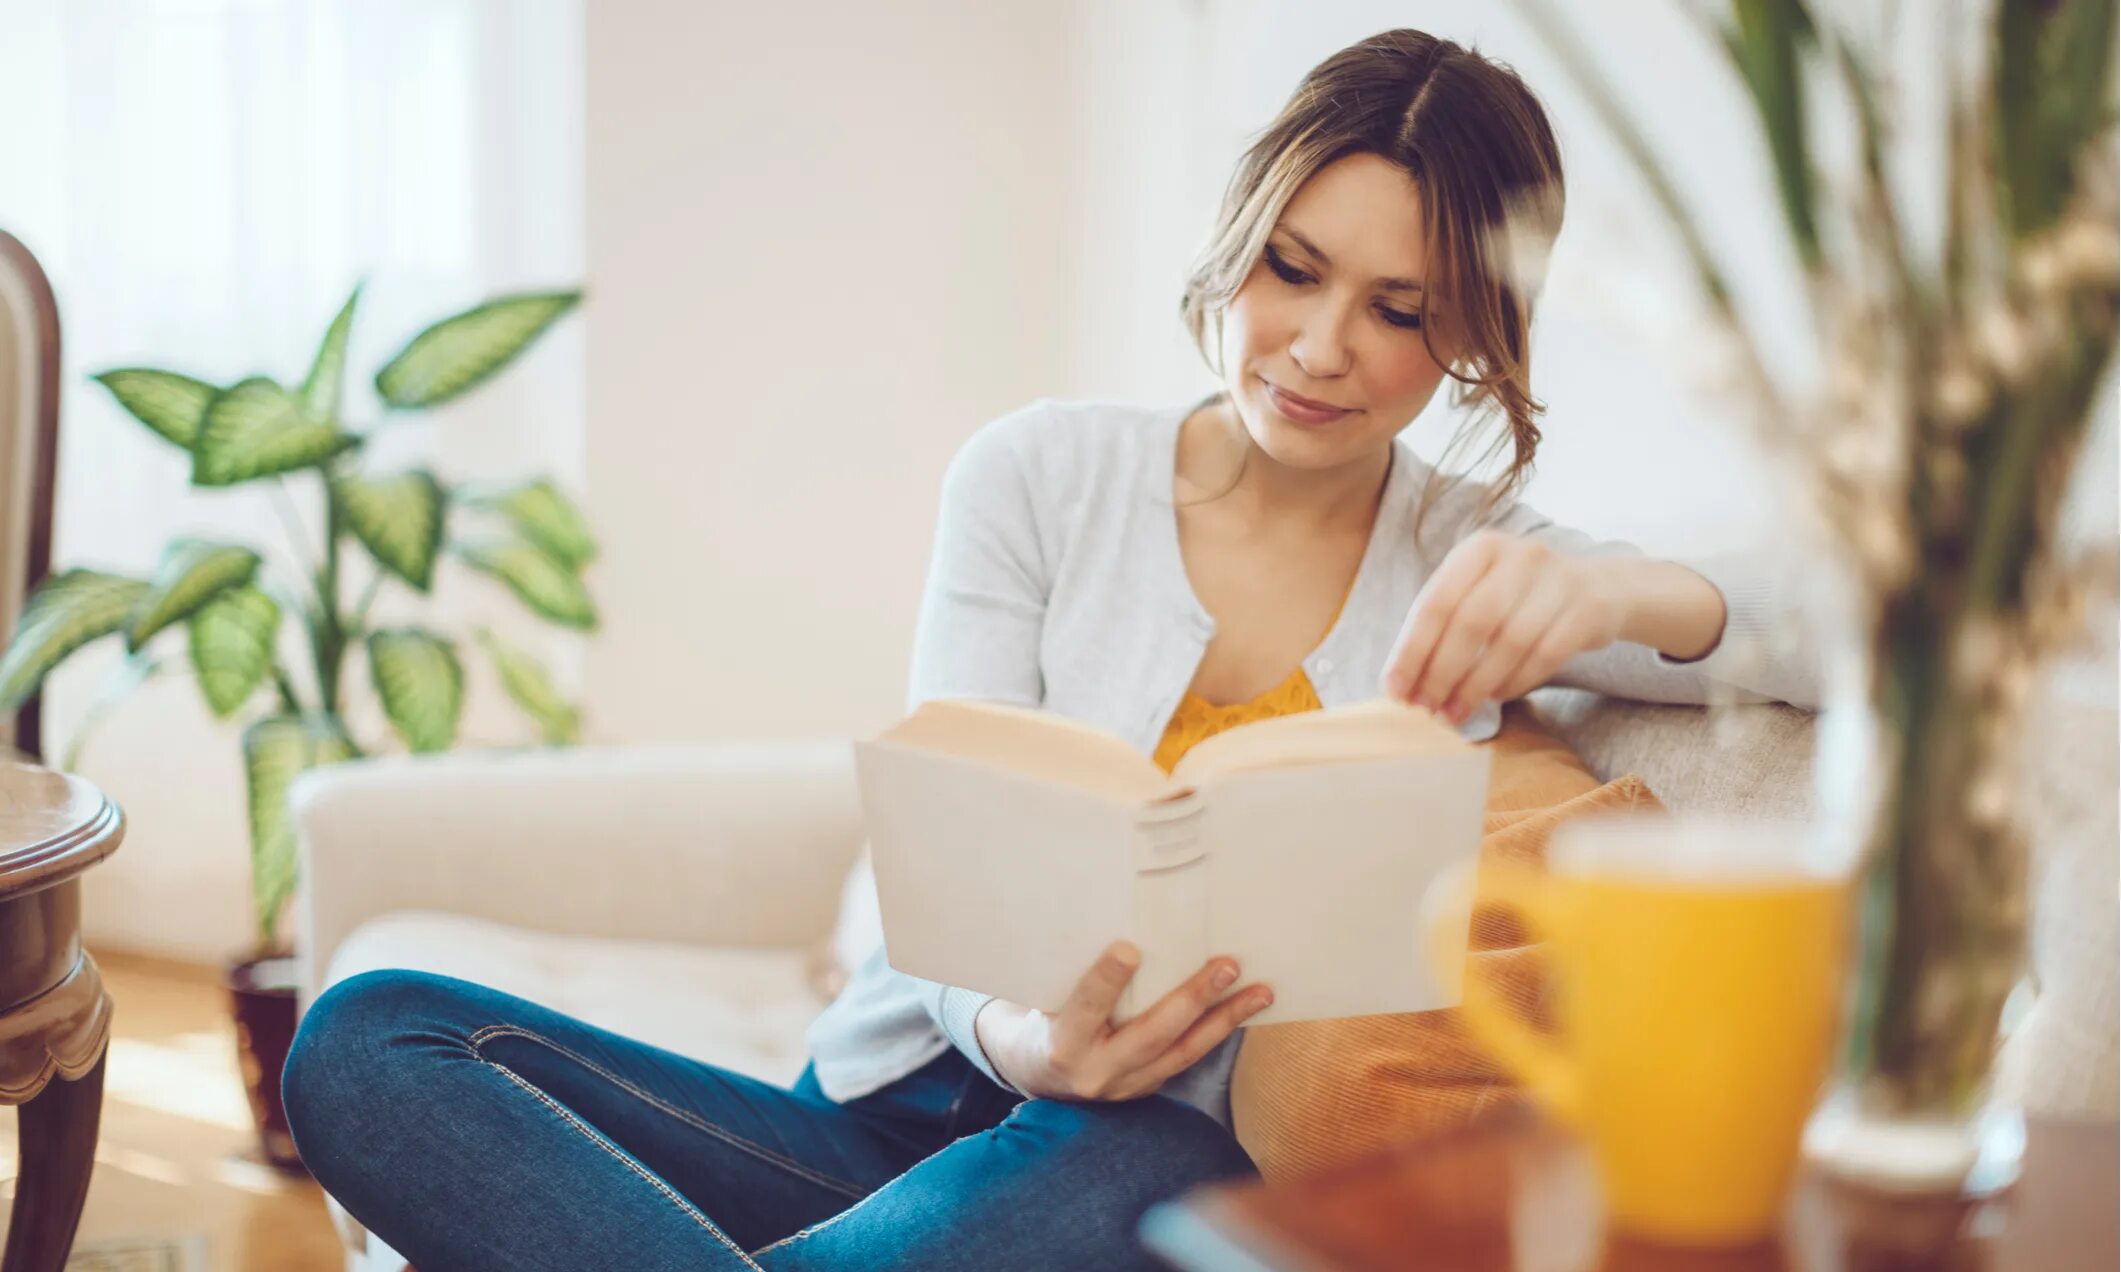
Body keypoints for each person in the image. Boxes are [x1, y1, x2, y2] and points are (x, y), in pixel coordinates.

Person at [281, 28, 1815, 1270]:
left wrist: (1625, 602)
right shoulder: (1037, 476)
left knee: (1152, 1163)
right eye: (1293, 268)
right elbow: (945, 838)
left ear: (1472, 333)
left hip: (1134, 1153)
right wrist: (1023, 1037)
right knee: (369, 1037)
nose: (1322, 345)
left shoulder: (1477, 555)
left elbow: (1846, 636)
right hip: (892, 1101)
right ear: (1236, 243)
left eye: (1399, 309)